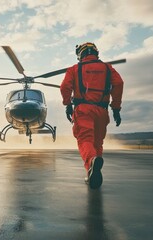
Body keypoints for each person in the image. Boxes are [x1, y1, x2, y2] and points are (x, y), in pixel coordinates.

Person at [60, 42, 124, 189]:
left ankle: (92, 162)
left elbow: (65, 87)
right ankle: (92, 173)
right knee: (97, 143)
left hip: (83, 110)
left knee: (85, 140)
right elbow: (119, 83)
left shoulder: (74, 69)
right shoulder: (108, 68)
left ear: (80, 54)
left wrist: (68, 105)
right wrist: (116, 108)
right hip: (102, 111)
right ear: (96, 53)